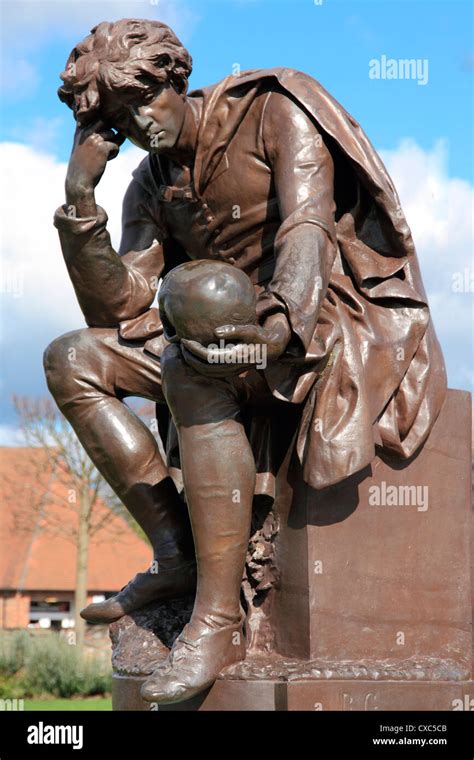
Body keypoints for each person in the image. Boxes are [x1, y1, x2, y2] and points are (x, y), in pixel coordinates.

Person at [44, 18, 446, 703]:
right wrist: (82, 202)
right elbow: (121, 310)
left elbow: (308, 224)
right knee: (72, 358)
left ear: (176, 81)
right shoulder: (148, 180)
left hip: (315, 327)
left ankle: (218, 617)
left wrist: (279, 322)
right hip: (214, 344)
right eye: (120, 122)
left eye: (144, 104)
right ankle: (177, 555)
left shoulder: (274, 108)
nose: (142, 127)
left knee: (192, 333)